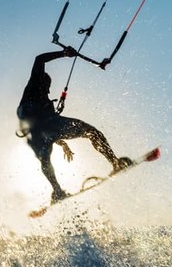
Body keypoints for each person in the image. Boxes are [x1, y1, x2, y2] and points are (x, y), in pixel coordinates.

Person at [17, 46, 133, 203]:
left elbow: (51, 131)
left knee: (92, 132)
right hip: (35, 129)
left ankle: (114, 162)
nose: (46, 87)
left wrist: (62, 142)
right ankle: (57, 191)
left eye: (47, 85)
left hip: (48, 127)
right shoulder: (33, 86)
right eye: (45, 83)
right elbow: (39, 59)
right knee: (44, 159)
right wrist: (63, 53)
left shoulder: (47, 103)